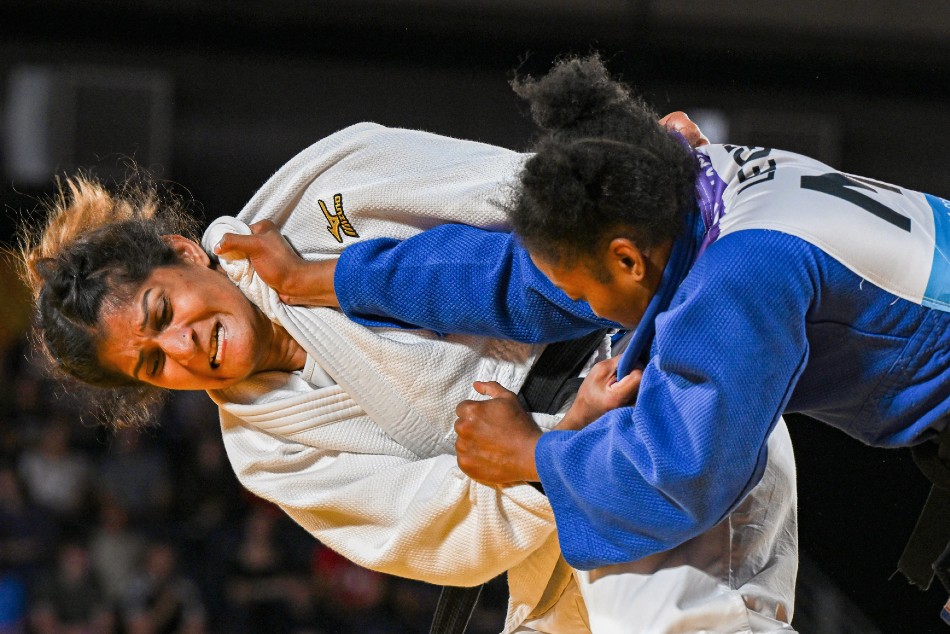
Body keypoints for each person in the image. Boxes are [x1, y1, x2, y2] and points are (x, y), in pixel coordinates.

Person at [21, 108, 796, 631]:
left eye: (163, 314)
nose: (185, 349)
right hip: (555, 507)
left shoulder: (319, 195)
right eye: (154, 364)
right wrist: (557, 443)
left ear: (187, 255)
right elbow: (437, 528)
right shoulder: (266, 450)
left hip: (645, 377)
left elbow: (513, 193)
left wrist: (625, 172)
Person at [241, 53, 950, 596]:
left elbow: (680, 476)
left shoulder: (739, 277)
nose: (572, 302)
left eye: (578, 284)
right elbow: (512, 277)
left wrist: (531, 455)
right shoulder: (685, 186)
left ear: (624, 260)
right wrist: (326, 277)